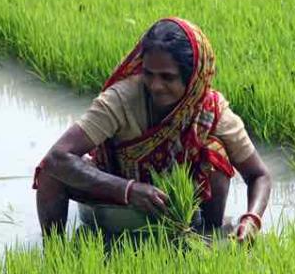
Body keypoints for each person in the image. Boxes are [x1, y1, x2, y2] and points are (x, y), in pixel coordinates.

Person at [32, 17, 271, 242]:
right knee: (50, 173)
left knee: (215, 152)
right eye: (148, 74)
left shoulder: (212, 111)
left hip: (178, 206)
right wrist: (129, 189)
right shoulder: (121, 99)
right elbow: (57, 157)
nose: (155, 86)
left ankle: (204, 238)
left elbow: (259, 175)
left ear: (191, 78)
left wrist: (252, 219)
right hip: (117, 193)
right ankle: (54, 252)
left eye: (168, 77)